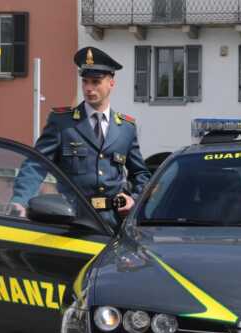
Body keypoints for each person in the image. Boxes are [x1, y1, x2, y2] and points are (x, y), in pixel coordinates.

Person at [9, 46, 150, 230]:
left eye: (96, 82)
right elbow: (37, 164)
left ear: (111, 83)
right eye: (85, 82)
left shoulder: (126, 128)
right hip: (72, 220)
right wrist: (20, 200)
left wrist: (134, 200)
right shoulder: (62, 123)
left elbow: (140, 174)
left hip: (113, 224)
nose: (89, 88)